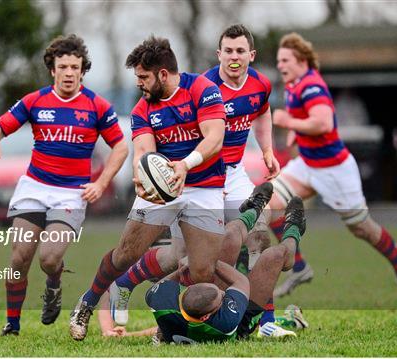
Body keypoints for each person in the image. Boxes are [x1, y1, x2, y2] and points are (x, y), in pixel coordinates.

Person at [109, 24, 282, 331]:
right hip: (197, 177)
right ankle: (125, 281)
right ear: (219, 54)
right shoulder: (204, 86)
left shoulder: (260, 84)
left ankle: (264, 320)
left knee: (258, 235)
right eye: (228, 50)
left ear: (251, 55)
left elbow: (263, 111)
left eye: (240, 51)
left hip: (233, 173)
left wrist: (267, 150)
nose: (234, 56)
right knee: (181, 256)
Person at [69, 35, 228, 341]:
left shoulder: (202, 90)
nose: (139, 83)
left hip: (204, 187)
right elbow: (143, 149)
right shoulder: (143, 108)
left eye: (143, 76)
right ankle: (86, 304)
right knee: (126, 253)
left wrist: (185, 164)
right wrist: (141, 175)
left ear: (163, 74)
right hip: (164, 186)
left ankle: (169, 328)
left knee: (202, 273)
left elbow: (215, 139)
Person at [0, 34, 128, 336]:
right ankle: (13, 324)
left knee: (49, 258)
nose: (69, 73)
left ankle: (54, 283)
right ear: (53, 69)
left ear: (82, 70)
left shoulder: (97, 106)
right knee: (20, 256)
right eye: (63, 66)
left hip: (71, 194)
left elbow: (121, 147)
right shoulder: (35, 101)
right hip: (34, 188)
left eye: (75, 67)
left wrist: (101, 183)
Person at [269, 33, 397, 304]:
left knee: (362, 228)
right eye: (279, 60)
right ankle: (300, 268)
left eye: (285, 60)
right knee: (271, 204)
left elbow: (323, 123)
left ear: (301, 60)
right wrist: (295, 133)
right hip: (308, 163)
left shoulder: (312, 86)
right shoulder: (293, 84)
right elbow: (307, 123)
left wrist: (288, 122)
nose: (280, 65)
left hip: (334, 170)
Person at [146, 193, 308, 343]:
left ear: (185, 292)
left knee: (230, 236)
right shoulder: (225, 322)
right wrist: (207, 260)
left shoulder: (162, 303)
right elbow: (241, 282)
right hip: (242, 321)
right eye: (222, 297)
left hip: (195, 312)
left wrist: (183, 270)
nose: (223, 292)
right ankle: (294, 231)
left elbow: (161, 287)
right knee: (275, 256)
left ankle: (254, 209)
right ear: (206, 317)